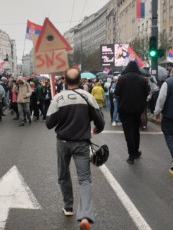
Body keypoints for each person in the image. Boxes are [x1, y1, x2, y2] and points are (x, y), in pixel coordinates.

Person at [46, 68, 105, 230]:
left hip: (63, 143)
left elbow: (49, 124)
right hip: (82, 143)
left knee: (63, 175)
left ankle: (68, 207)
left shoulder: (58, 98)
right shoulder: (88, 96)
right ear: (80, 81)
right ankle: (85, 215)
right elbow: (100, 121)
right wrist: (97, 129)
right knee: (84, 179)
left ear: (65, 81)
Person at [114, 61, 150, 164]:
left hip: (124, 109)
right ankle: (136, 151)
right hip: (137, 109)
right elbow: (147, 92)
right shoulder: (142, 79)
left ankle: (131, 155)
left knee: (128, 132)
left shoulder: (122, 78)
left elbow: (116, 93)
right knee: (135, 131)